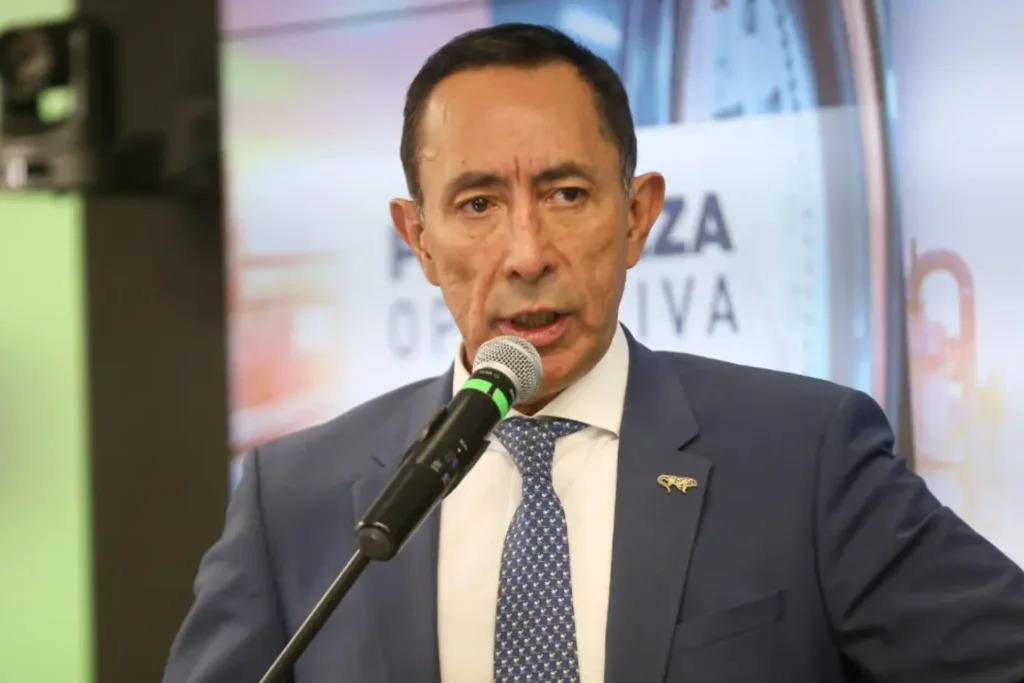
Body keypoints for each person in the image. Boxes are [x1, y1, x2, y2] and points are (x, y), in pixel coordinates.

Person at [162, 23, 1024, 683]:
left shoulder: (805, 456)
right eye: (477, 204)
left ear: (637, 215)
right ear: (418, 238)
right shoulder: (296, 502)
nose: (527, 252)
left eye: (567, 193)